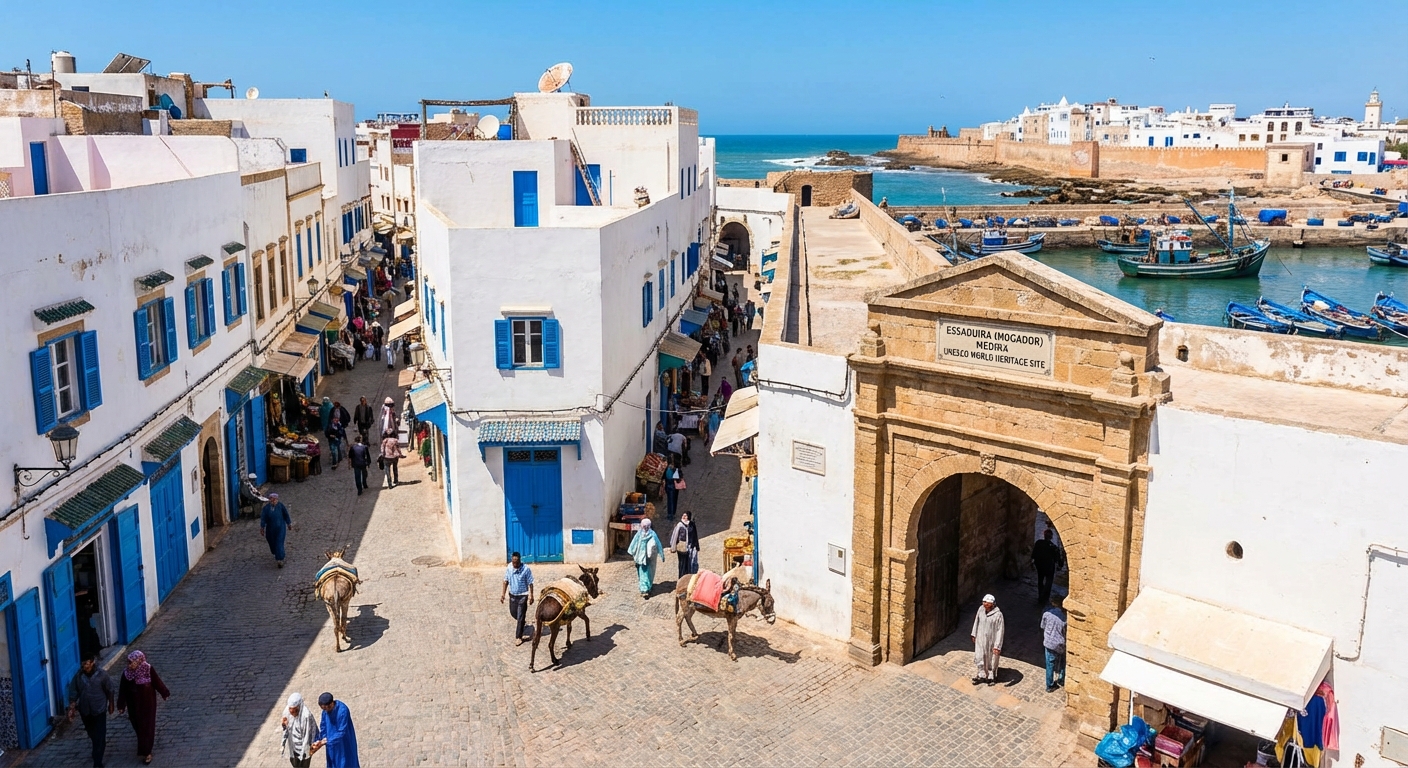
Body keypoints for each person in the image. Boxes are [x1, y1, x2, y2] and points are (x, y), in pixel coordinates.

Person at [115, 650, 169, 765]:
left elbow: (157, 682)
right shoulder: (126, 674)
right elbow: (122, 690)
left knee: (147, 727)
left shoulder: (148, 669)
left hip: (148, 704)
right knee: (138, 726)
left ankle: (147, 752)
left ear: (138, 661)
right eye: (128, 663)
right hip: (133, 706)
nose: (129, 665)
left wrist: (164, 693)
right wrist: (121, 705)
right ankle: (144, 743)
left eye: (131, 662)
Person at [67, 653, 116, 768]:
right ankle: (97, 748)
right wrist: (72, 707)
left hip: (99, 709)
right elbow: (73, 692)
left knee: (100, 735)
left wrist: (111, 705)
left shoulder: (102, 675)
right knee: (92, 734)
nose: (84, 666)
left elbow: (110, 689)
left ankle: (97, 762)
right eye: (83, 664)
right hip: (85, 711)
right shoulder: (79, 676)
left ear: (92, 662)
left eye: (86, 664)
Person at [314, 693, 359, 768]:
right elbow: (323, 725)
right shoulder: (325, 711)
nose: (325, 710)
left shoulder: (343, 710)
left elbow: (341, 732)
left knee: (346, 762)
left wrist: (328, 741)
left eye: (326, 708)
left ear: (331, 704)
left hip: (344, 742)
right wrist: (322, 738)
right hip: (331, 744)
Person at [500, 552, 536, 644]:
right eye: (513, 562)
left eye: (516, 562)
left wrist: (531, 596)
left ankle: (518, 637)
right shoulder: (509, 568)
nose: (514, 564)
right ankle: (522, 621)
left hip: (523, 596)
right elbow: (505, 581)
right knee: (514, 613)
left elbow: (530, 583)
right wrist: (503, 594)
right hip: (512, 595)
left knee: (520, 616)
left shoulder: (526, 569)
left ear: (520, 560)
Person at [970, 594, 1005, 686]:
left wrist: (997, 645)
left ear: (992, 604)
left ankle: (991, 677)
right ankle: (981, 674)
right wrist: (974, 633)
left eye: (986, 603)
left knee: (991, 659)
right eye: (984, 602)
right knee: (979, 657)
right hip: (980, 638)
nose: (984, 604)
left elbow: (1000, 631)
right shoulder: (981, 609)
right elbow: (976, 621)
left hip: (991, 641)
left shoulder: (998, 615)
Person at [627, 518, 667, 598]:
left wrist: (662, 555)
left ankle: (645, 589)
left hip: (648, 559)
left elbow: (658, 544)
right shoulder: (639, 533)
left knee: (647, 573)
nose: (644, 527)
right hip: (639, 557)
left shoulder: (652, 534)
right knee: (642, 572)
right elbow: (634, 542)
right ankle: (645, 587)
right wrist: (631, 551)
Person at [281, 692, 320, 768]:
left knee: (304, 765)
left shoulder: (306, 716)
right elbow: (286, 729)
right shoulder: (286, 712)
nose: (294, 714)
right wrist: (284, 725)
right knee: (295, 764)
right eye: (291, 711)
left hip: (304, 746)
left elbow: (307, 736)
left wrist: (304, 752)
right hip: (293, 746)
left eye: (296, 711)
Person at [1031, 528, 1065, 606]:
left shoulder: (1038, 543)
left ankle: (1040, 596)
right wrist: (1060, 564)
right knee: (1048, 582)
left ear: (1044, 535)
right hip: (1049, 567)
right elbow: (1057, 559)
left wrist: (1032, 563)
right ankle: (1045, 597)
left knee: (1040, 580)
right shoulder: (1054, 547)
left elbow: (1034, 554)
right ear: (1051, 537)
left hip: (1039, 566)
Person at [1041, 594, 1068, 693]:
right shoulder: (1064, 618)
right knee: (1063, 662)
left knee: (1050, 664)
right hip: (1060, 644)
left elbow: (1042, 626)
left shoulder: (1046, 614)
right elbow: (1065, 632)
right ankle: (1061, 679)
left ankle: (1050, 685)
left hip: (1049, 643)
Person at [261, 493, 292, 568]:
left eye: (275, 499)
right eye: (272, 499)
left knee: (279, 543)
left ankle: (280, 559)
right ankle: (276, 553)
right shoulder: (266, 508)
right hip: (270, 530)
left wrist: (289, 523)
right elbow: (263, 518)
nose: (273, 500)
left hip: (280, 528)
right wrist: (262, 527)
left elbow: (286, 515)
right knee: (272, 543)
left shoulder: (281, 506)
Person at [669, 511, 700, 578]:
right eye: (683, 515)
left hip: (690, 547)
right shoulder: (679, 525)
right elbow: (675, 536)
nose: (683, 517)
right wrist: (673, 547)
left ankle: (688, 578)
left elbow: (695, 535)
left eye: (685, 516)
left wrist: (696, 546)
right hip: (682, 548)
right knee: (682, 564)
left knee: (690, 564)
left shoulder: (692, 525)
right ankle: (681, 579)